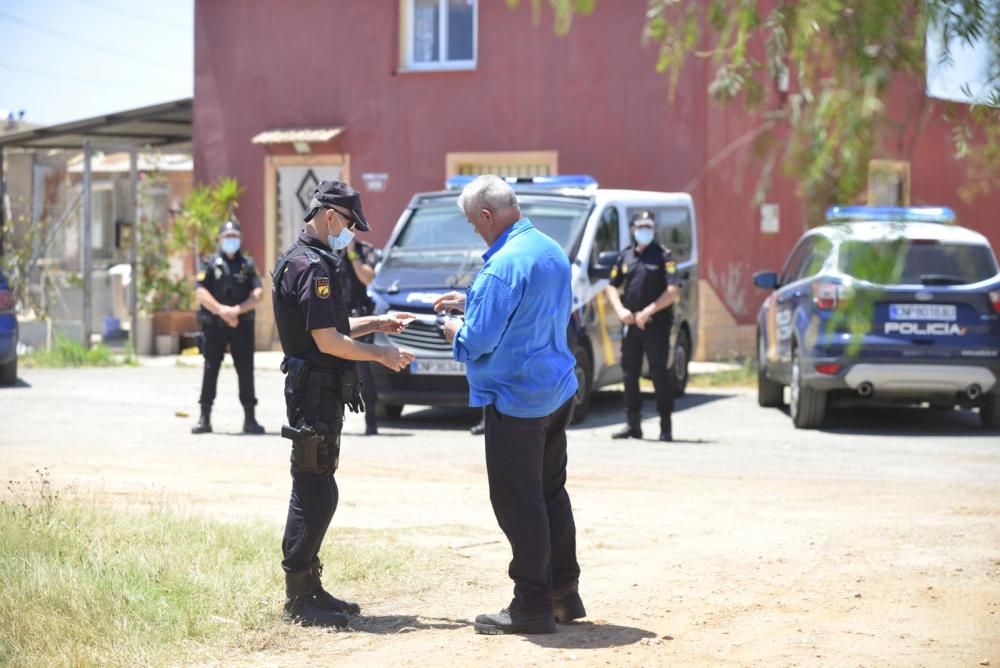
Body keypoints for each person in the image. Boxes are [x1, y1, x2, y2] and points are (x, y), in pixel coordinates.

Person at [435, 175, 585, 636]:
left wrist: (453, 331)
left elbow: (478, 340)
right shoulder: (548, 249)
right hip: (556, 392)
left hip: (518, 401)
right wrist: (474, 299)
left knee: (519, 504)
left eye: (471, 223)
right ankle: (563, 593)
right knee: (549, 494)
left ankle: (532, 606)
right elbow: (529, 304)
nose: (474, 231)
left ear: (487, 216)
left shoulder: (502, 266)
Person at [271, 180, 415, 628]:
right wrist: (381, 353)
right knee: (314, 490)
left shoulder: (305, 260)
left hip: (319, 389)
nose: (350, 232)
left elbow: (333, 326)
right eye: (349, 223)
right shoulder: (311, 267)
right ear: (330, 215)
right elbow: (326, 340)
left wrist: (377, 323)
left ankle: (311, 586)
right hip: (313, 391)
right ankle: (298, 596)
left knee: (320, 485)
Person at [603, 210, 681, 442]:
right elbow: (611, 286)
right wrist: (620, 310)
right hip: (631, 324)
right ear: (634, 228)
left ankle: (665, 426)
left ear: (654, 229)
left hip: (655, 324)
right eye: (640, 226)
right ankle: (632, 425)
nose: (644, 230)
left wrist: (648, 311)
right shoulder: (626, 256)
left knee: (659, 373)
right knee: (629, 373)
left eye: (648, 226)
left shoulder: (663, 256)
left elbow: (673, 290)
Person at [191, 220, 265, 435]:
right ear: (220, 239)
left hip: (241, 326)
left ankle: (250, 419)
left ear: (240, 239)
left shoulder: (248, 265)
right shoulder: (209, 263)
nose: (231, 240)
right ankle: (204, 418)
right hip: (214, 326)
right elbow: (200, 292)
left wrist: (236, 311)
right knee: (210, 369)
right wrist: (223, 311)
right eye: (227, 236)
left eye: (235, 236)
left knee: (245, 370)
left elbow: (258, 294)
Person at [335, 236, 380, 435]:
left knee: (363, 370)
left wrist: (352, 253)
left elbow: (368, 277)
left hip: (359, 316)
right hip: (335, 317)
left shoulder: (365, 250)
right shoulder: (330, 250)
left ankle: (371, 419)